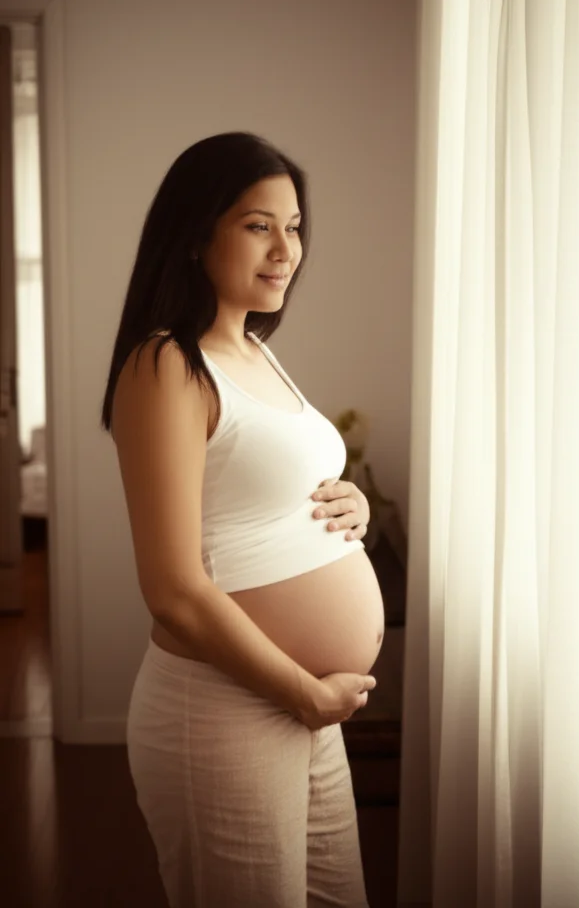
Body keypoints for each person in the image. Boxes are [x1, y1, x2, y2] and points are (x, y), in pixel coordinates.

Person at [100, 132, 386, 907]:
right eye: (258, 225)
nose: (285, 248)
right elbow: (173, 590)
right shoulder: (166, 363)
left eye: (294, 227)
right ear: (197, 235)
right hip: (227, 706)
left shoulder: (257, 352)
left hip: (303, 706)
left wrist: (348, 502)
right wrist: (301, 691)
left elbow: (264, 485)